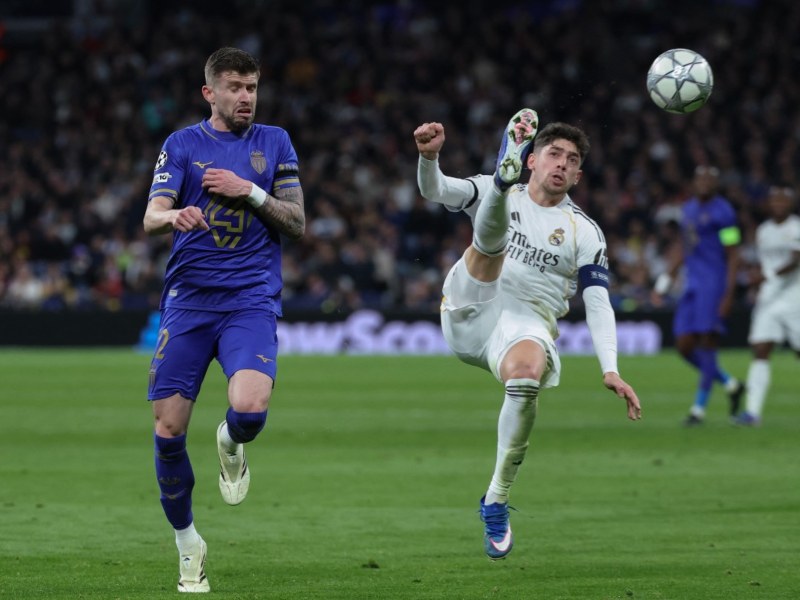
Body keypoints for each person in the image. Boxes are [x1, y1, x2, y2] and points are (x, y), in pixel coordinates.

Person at [413, 110, 641, 561]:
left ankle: (496, 499)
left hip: (525, 324)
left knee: (526, 377)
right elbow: (434, 190)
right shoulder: (479, 186)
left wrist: (611, 368)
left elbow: (597, 302)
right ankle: (503, 183)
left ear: (578, 175)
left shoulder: (586, 233)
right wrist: (429, 158)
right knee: (488, 248)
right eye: (553, 153)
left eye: (571, 160)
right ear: (532, 160)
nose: (561, 163)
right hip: (470, 306)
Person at [143, 47, 305, 593]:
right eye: (234, 87)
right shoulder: (183, 145)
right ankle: (189, 544)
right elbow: (150, 216)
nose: (246, 97)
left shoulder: (274, 142)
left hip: (250, 299)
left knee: (251, 409)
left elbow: (297, 221)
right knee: (168, 430)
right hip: (189, 300)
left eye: (252, 87)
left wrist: (249, 191)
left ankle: (231, 443)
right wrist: (174, 215)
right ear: (209, 92)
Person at [653, 166, 745, 426]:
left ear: (717, 184)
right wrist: (666, 279)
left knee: (707, 344)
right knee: (683, 346)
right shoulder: (689, 209)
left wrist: (728, 293)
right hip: (692, 284)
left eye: (709, 179)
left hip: (713, 285)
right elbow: (685, 245)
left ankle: (698, 409)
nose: (704, 182)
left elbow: (733, 253)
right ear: (693, 182)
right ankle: (731, 384)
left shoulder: (724, 212)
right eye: (700, 178)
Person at [735, 185, 800, 425]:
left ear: (791, 204)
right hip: (769, 299)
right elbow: (765, 263)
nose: (778, 204)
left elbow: (795, 260)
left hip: (795, 298)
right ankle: (752, 413)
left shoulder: (796, 227)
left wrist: (766, 276)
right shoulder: (763, 230)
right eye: (775, 200)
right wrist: (758, 280)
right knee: (760, 350)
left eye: (783, 200)